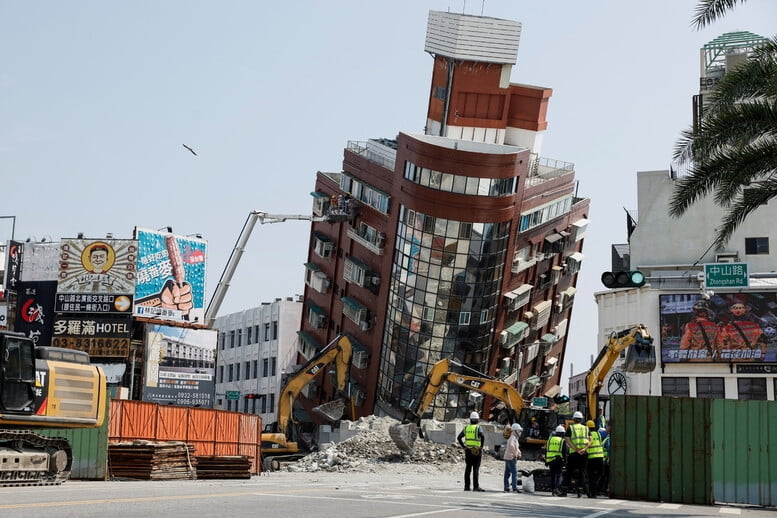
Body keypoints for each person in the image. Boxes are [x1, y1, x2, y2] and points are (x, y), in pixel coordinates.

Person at [564, 411, 591, 497]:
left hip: (574, 454)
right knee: (582, 472)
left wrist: (575, 449)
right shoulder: (586, 428)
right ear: (581, 419)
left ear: (573, 419)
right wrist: (584, 449)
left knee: (569, 472)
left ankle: (564, 490)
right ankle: (580, 491)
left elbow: (567, 440)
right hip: (584, 453)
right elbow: (591, 440)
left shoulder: (571, 428)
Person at [457, 411, 485, 492]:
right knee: (476, 469)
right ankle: (476, 487)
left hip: (468, 451)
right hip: (476, 451)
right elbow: (482, 436)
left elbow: (459, 437)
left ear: (470, 419)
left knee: (468, 469)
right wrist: (481, 447)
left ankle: (466, 486)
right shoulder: (478, 428)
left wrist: (464, 447)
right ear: (477, 420)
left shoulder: (466, 428)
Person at [545, 425, 567, 496]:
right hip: (558, 460)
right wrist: (565, 460)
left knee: (552, 475)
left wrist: (546, 460)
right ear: (562, 433)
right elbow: (564, 451)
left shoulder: (550, 440)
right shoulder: (562, 440)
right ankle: (557, 488)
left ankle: (553, 490)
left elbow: (546, 450)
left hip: (550, 460)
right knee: (559, 474)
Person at [585, 420, 605, 498]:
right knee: (600, 474)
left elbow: (586, 445)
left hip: (591, 458)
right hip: (600, 457)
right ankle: (596, 489)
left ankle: (592, 492)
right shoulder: (598, 434)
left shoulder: (587, 435)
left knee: (591, 476)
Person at [503, 423, 522, 493]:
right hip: (511, 458)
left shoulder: (513, 438)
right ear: (515, 431)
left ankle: (506, 487)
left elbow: (516, 448)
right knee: (514, 473)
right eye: (519, 431)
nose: (520, 432)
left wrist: (519, 453)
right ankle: (514, 488)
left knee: (507, 473)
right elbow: (512, 446)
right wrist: (516, 454)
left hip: (507, 457)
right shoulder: (513, 438)